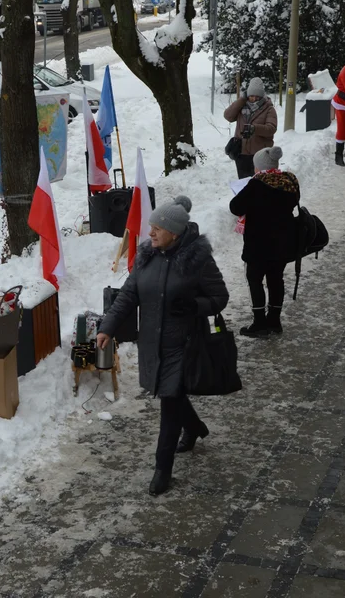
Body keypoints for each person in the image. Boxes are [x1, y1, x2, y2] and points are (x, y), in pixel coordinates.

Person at [96, 196, 229, 496]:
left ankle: (162, 469)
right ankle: (194, 427)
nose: (151, 233)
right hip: (152, 343)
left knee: (169, 401)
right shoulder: (146, 256)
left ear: (175, 232)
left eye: (157, 228)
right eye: (151, 227)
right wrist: (107, 327)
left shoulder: (199, 260)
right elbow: (128, 296)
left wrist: (193, 306)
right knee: (170, 395)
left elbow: (220, 298)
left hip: (184, 343)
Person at [228, 146, 299, 337]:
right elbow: (293, 201)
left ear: (258, 167)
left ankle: (259, 322)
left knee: (255, 279)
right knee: (276, 279)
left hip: (258, 242)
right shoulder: (290, 180)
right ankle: (274, 321)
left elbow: (235, 207)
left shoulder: (256, 184)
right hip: (284, 240)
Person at [224, 77, 277, 179]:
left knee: (259, 183)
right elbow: (228, 116)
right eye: (251, 96)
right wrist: (241, 99)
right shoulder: (241, 106)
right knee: (244, 183)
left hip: (260, 155)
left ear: (261, 96)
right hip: (241, 153)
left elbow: (271, 129)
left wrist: (254, 128)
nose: (253, 99)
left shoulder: (269, 109)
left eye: (257, 96)